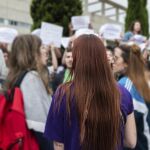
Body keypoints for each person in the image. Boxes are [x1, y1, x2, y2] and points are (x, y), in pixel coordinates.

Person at [44, 34, 136, 150]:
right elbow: (131, 141)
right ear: (102, 57)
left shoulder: (63, 93)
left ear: (77, 58)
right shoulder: (123, 93)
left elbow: (59, 144)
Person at [4, 34, 53, 150]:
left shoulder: (15, 76)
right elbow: (39, 125)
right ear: (32, 53)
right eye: (41, 47)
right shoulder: (31, 78)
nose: (45, 51)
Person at [113, 44, 150, 150]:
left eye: (116, 58)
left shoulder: (125, 86)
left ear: (126, 63)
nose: (112, 61)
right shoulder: (138, 81)